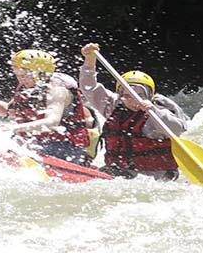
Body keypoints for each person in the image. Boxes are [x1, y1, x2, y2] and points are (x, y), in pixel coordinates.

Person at [79, 42, 189, 181]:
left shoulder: (158, 110)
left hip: (156, 176)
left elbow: (177, 129)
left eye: (140, 95)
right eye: (127, 96)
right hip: (120, 171)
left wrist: (153, 110)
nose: (133, 101)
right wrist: (89, 61)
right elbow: (89, 88)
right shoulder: (114, 105)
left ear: (149, 95)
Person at [0, 49, 91, 165]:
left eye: (23, 75)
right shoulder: (27, 88)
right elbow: (8, 111)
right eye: (17, 75)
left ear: (40, 72)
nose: (20, 80)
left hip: (64, 147)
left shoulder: (58, 91)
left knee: (10, 153)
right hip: (34, 143)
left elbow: (51, 122)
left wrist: (14, 127)